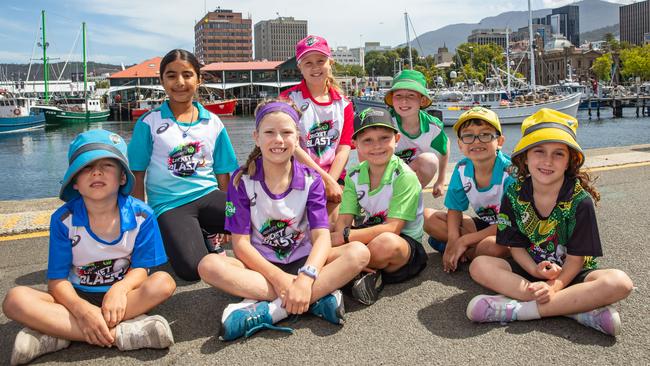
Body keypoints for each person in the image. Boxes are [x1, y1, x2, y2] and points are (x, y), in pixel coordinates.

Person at [197, 100, 370, 341]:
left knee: (358, 253)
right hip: (262, 267)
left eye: (287, 132)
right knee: (209, 265)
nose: (278, 140)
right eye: (269, 132)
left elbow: (321, 239)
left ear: (298, 138)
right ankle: (315, 299)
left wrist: (307, 276)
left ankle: (272, 311)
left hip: (303, 261)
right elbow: (241, 245)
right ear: (256, 137)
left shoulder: (312, 180)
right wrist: (282, 281)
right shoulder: (242, 180)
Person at [3, 129, 176, 365]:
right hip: (76, 296)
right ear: (75, 181)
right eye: (86, 167)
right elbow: (57, 281)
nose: (96, 172)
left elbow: (141, 269)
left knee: (163, 282)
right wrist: (83, 310)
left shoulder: (142, 216)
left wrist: (120, 289)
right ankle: (121, 334)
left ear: (123, 177)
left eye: (107, 165)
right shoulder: (63, 219)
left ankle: (58, 333)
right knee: (15, 299)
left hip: (124, 298)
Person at [466, 109, 634, 336]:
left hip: (571, 276)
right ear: (525, 157)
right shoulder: (513, 194)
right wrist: (533, 269)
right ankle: (575, 308)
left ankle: (519, 310)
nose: (547, 161)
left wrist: (555, 286)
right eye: (539, 151)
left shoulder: (579, 201)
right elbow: (515, 247)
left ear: (569, 162)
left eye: (558, 154)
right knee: (480, 265)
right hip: (529, 271)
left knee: (620, 282)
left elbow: (576, 260)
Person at [128, 49, 239, 281]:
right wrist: (141, 221)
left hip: (208, 195)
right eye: (171, 76)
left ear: (198, 79)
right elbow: (136, 174)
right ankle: (187, 233)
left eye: (187, 75)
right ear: (162, 81)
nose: (180, 82)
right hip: (170, 205)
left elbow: (222, 174)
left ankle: (209, 230)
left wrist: (230, 217)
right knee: (191, 270)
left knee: (257, 218)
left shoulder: (213, 122)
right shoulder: (149, 123)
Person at [330, 106, 428, 305]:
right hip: (369, 234)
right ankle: (358, 274)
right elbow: (345, 218)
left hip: (404, 244)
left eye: (384, 138)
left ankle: (344, 273)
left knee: (385, 244)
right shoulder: (354, 174)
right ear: (355, 144)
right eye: (367, 140)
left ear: (397, 138)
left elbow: (393, 228)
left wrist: (344, 237)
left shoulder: (404, 176)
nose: (377, 146)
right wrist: (339, 237)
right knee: (325, 234)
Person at [423, 107, 513, 273]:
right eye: (468, 136)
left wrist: (464, 240)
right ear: (460, 144)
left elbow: (510, 223)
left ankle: (466, 251)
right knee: (427, 217)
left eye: (485, 134)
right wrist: (452, 239)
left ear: (499, 141)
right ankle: (469, 252)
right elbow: (455, 208)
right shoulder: (462, 168)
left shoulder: (510, 173)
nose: (476, 141)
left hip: (509, 229)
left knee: (494, 248)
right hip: (484, 226)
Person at [280, 35, 354, 226]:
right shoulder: (288, 100)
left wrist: (332, 182)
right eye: (308, 63)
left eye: (321, 61)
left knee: (333, 226)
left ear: (330, 62)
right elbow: (292, 145)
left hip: (334, 177)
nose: (315, 67)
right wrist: (323, 180)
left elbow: (344, 147)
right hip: (296, 176)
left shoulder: (344, 104)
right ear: (300, 67)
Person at [384, 69, 449, 192]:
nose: (404, 101)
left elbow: (445, 147)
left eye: (411, 95)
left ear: (422, 100)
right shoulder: (385, 122)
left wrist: (440, 180)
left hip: (411, 176)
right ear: (392, 99)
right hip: (385, 178)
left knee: (430, 161)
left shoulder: (433, 126)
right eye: (398, 95)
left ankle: (410, 199)